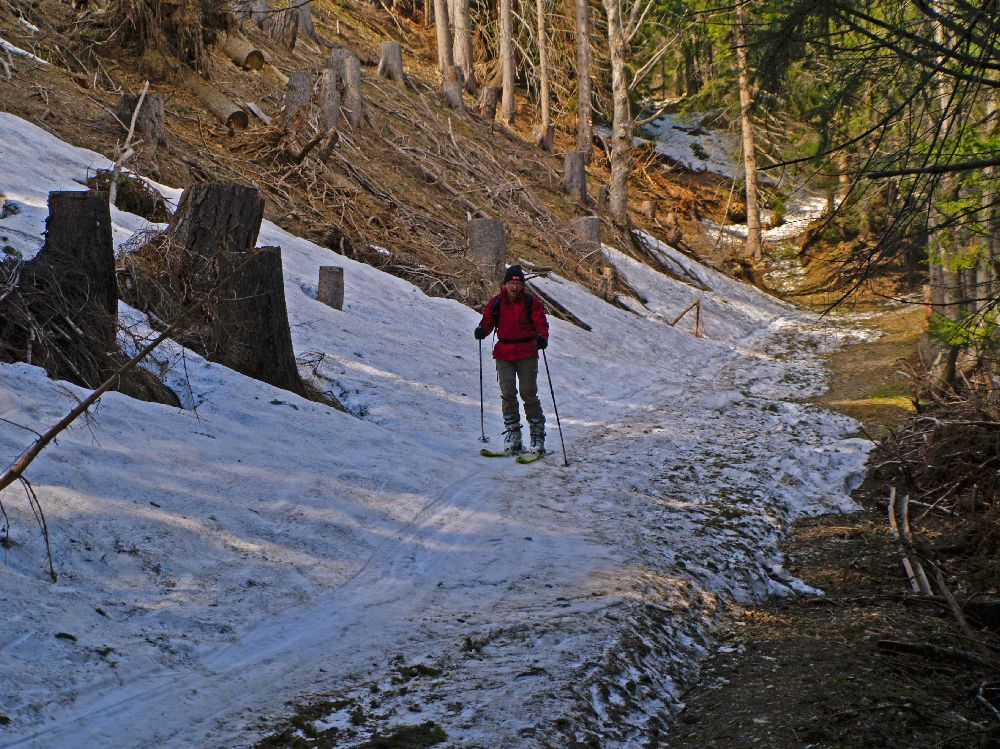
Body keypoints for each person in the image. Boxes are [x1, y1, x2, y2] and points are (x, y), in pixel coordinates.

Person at [474, 265, 549, 455]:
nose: (514, 287)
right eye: (511, 283)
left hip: (527, 351)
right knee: (507, 393)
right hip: (504, 353)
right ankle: (513, 434)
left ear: (522, 285)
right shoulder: (497, 302)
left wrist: (542, 337)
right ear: (505, 284)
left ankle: (537, 435)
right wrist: (482, 330)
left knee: (528, 393)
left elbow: (541, 322)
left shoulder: (531, 302)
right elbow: (488, 320)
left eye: (518, 283)